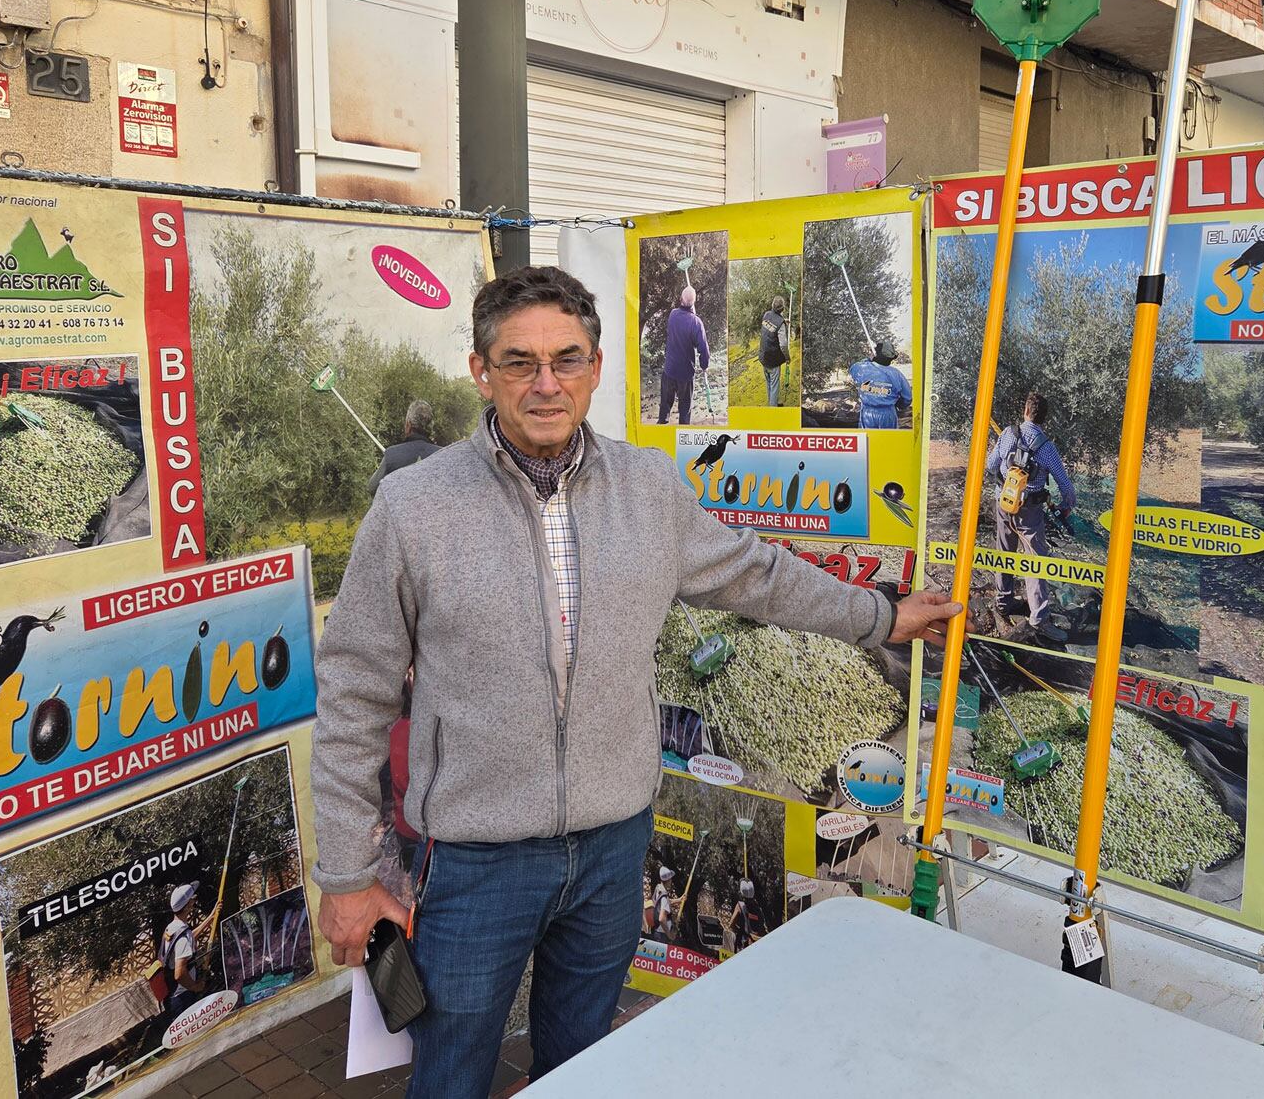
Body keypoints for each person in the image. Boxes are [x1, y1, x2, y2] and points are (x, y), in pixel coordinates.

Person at [311, 265, 960, 1099]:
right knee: (450, 1077)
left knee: (585, 1070)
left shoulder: (649, 489)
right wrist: (348, 874)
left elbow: (758, 575)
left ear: (595, 366)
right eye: (519, 362)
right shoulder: (412, 508)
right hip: (475, 864)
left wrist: (880, 616)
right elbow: (353, 695)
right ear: (481, 371)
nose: (546, 384)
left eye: (566, 360)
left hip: (613, 851)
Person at [986, 392, 1077, 645]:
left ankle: (1003, 601)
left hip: (1003, 502)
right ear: (1044, 418)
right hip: (1030, 510)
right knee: (1035, 561)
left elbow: (991, 466)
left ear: (1026, 411)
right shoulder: (1047, 448)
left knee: (1004, 551)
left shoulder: (1007, 433)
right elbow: (1066, 486)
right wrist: (1066, 506)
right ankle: (1039, 619)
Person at [658, 285, 711, 424]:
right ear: (694, 302)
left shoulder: (673, 315)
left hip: (669, 370)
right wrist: (704, 365)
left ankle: (660, 429)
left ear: (680, 299)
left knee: (664, 409)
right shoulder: (696, 323)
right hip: (685, 375)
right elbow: (703, 349)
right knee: (685, 412)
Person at [158, 883, 208, 1027]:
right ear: (187, 906)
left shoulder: (171, 928)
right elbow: (179, 974)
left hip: (172, 997)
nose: (194, 901)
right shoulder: (183, 936)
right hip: (183, 998)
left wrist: (210, 918)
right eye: (192, 899)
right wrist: (195, 987)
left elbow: (188, 939)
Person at [370, 400, 441, 496]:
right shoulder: (443, 455)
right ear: (430, 428)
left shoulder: (392, 455)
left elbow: (372, 488)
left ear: (408, 425)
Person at [848, 340, 912, 429]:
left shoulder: (861, 368)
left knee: (867, 437)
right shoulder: (897, 374)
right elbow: (907, 398)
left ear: (876, 354)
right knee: (887, 437)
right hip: (888, 414)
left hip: (867, 414)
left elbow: (852, 369)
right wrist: (898, 405)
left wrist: (869, 359)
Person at [759, 296, 790, 407]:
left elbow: (771, 325)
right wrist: (787, 357)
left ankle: (772, 403)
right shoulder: (780, 324)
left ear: (773, 305)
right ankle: (773, 409)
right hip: (773, 360)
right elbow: (783, 345)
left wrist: (783, 321)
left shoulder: (766, 315)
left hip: (764, 356)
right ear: (782, 308)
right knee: (774, 385)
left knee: (769, 383)